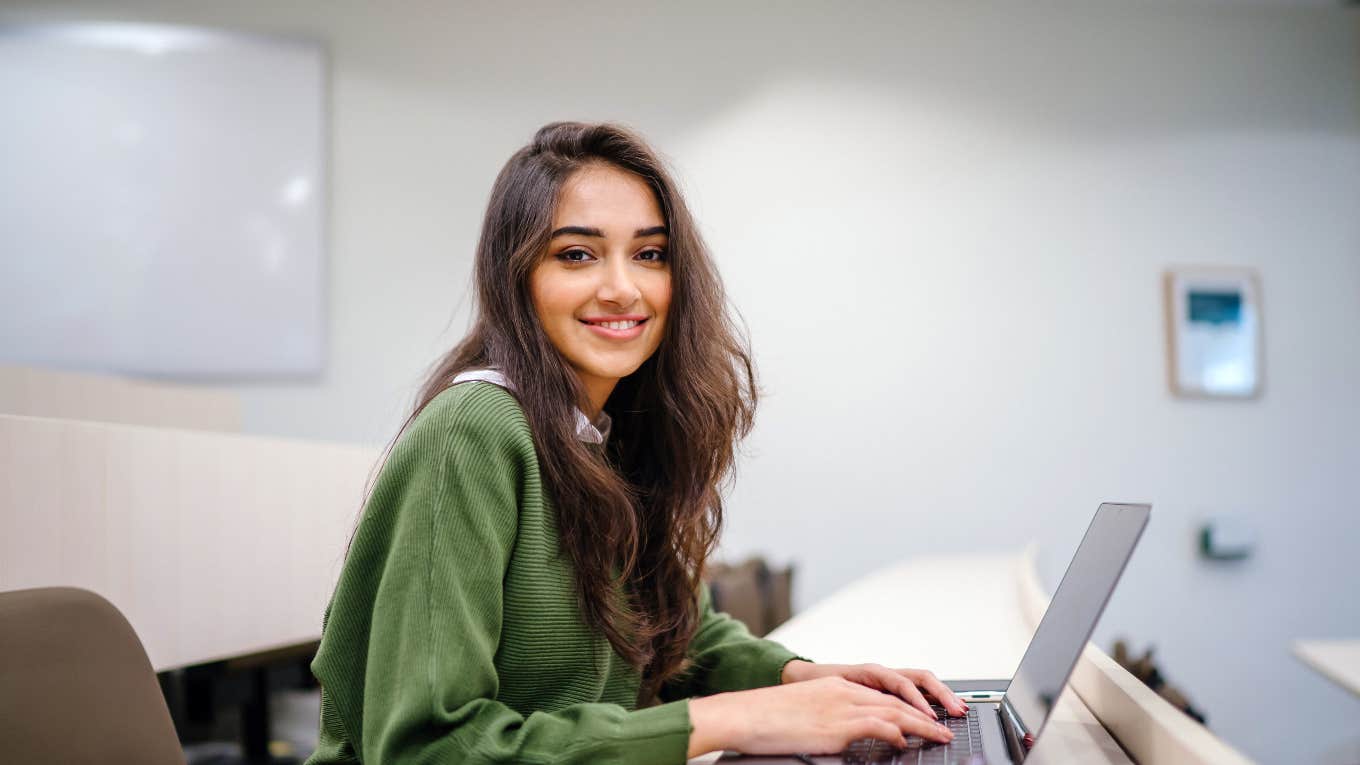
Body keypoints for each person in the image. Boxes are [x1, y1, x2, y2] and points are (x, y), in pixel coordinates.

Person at [306, 121, 966, 765]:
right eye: (576, 254)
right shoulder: (474, 431)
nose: (624, 287)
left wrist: (802, 679)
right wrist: (733, 719)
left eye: (649, 253)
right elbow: (428, 747)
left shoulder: (602, 429)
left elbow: (672, 632)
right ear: (517, 277)